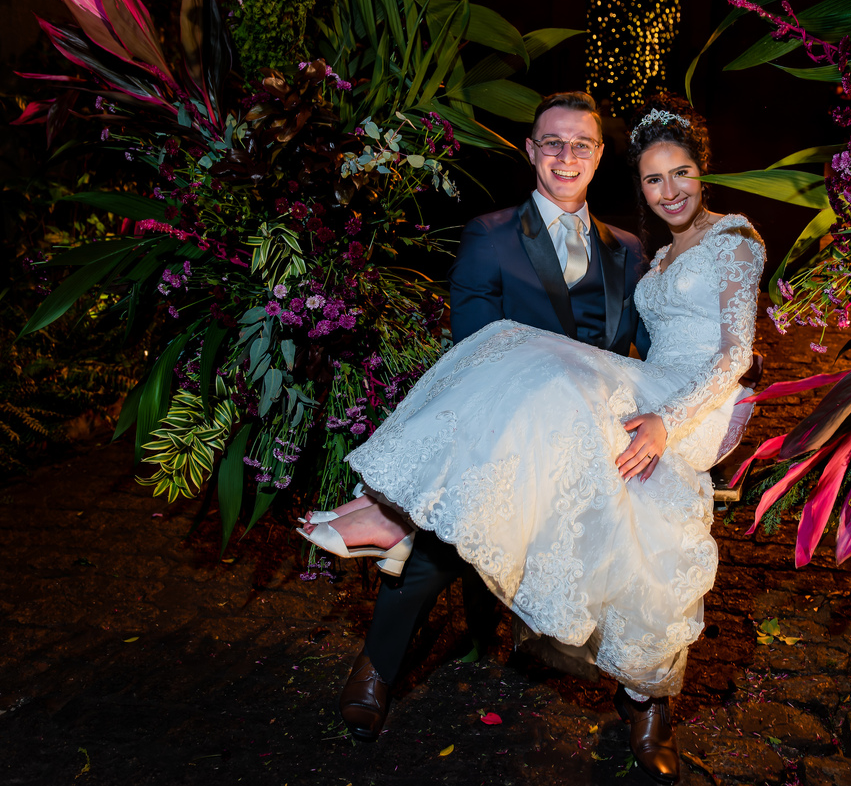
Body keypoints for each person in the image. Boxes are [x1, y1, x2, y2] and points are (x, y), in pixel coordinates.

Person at [302, 94, 764, 785]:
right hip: (516, 431)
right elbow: (472, 352)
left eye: (582, 144)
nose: (567, 156)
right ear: (530, 150)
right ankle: (377, 662)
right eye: (552, 143)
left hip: (626, 418)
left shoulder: (636, 250)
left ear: (602, 158)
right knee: (451, 522)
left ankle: (645, 707)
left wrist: (704, 405)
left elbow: (683, 347)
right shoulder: (491, 234)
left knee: (642, 549)